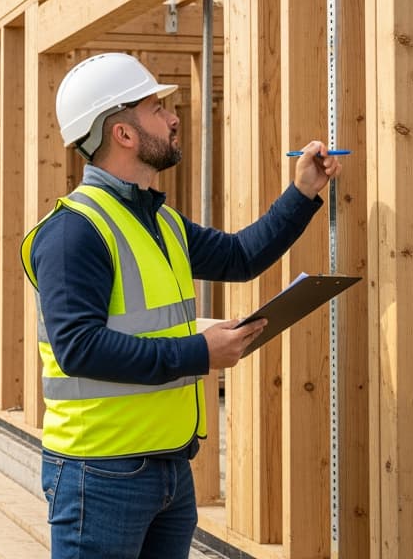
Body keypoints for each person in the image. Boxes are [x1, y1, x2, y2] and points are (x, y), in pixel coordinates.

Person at [20, 52, 341, 558]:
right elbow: (78, 348)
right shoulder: (72, 232)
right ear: (123, 133)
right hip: (100, 473)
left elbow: (240, 256)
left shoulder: (161, 221)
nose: (173, 117)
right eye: (156, 108)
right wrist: (199, 353)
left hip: (169, 466)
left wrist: (302, 191)